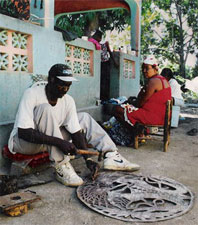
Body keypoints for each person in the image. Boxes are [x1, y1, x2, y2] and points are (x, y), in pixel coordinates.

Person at [8, 64, 140, 187]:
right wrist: (60, 142)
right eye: (62, 85)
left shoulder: (68, 100)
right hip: (25, 144)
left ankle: (111, 155)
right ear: (51, 80)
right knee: (45, 109)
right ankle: (61, 165)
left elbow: (76, 132)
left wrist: (87, 159)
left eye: (68, 85)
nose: (65, 89)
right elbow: (24, 132)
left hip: (48, 141)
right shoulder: (32, 94)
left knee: (83, 117)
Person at [113, 56, 172, 133]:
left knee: (117, 109)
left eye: (147, 68)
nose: (144, 71)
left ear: (155, 69)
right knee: (124, 107)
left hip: (153, 116)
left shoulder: (153, 81)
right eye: (143, 68)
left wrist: (130, 103)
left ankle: (138, 133)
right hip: (161, 116)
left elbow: (140, 103)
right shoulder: (162, 79)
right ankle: (138, 131)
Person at [88, 30, 118, 101]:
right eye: (100, 37)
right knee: (102, 81)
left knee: (106, 81)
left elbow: (110, 53)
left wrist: (114, 62)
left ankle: (105, 97)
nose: (100, 39)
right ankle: (102, 97)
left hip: (106, 63)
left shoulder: (104, 44)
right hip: (99, 64)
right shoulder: (93, 42)